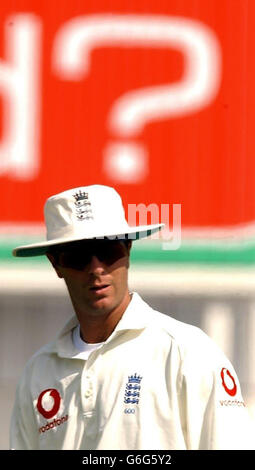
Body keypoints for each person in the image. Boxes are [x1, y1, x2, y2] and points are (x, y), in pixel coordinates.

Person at [10, 184, 253, 450]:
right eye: (79, 256)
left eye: (108, 251)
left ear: (128, 248)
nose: (97, 268)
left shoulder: (186, 351)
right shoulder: (38, 372)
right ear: (55, 264)